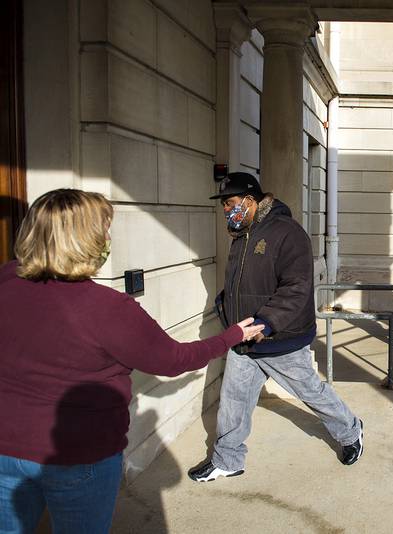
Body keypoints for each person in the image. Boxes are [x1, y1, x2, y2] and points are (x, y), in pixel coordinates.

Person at [0, 189, 264, 533]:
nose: (107, 238)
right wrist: (232, 336)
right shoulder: (108, 308)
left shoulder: (6, 280)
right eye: (103, 229)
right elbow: (174, 359)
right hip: (80, 456)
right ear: (86, 239)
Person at [190, 173, 363, 483]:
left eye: (230, 204)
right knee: (234, 399)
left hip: (281, 336)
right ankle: (228, 459)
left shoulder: (287, 233)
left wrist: (266, 323)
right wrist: (225, 305)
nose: (227, 211)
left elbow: (296, 287)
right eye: (225, 206)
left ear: (250, 200)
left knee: (311, 391)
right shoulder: (241, 234)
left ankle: (351, 431)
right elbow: (242, 282)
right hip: (244, 336)